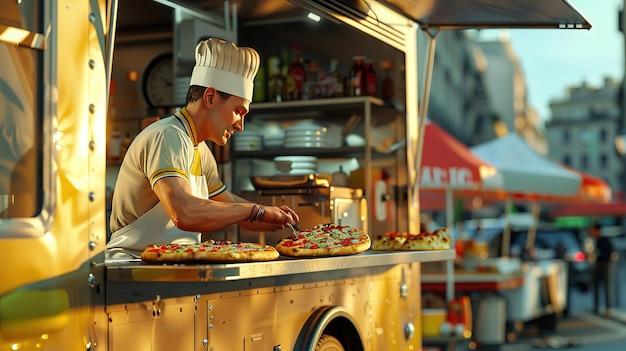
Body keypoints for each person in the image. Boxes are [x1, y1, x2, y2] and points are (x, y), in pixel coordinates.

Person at [106, 38, 299, 258]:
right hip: (132, 267)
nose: (240, 126)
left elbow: (229, 205)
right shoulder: (168, 135)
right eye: (238, 111)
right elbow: (185, 212)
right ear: (210, 97)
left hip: (174, 264)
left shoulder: (200, 149)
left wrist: (272, 218)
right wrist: (256, 210)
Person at [589, 223, 615, 315]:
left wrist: (598, 253)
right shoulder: (594, 241)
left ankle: (608, 308)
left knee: (607, 286)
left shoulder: (605, 240)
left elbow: (610, 253)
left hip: (606, 264)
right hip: (597, 264)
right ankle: (596, 307)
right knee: (595, 285)